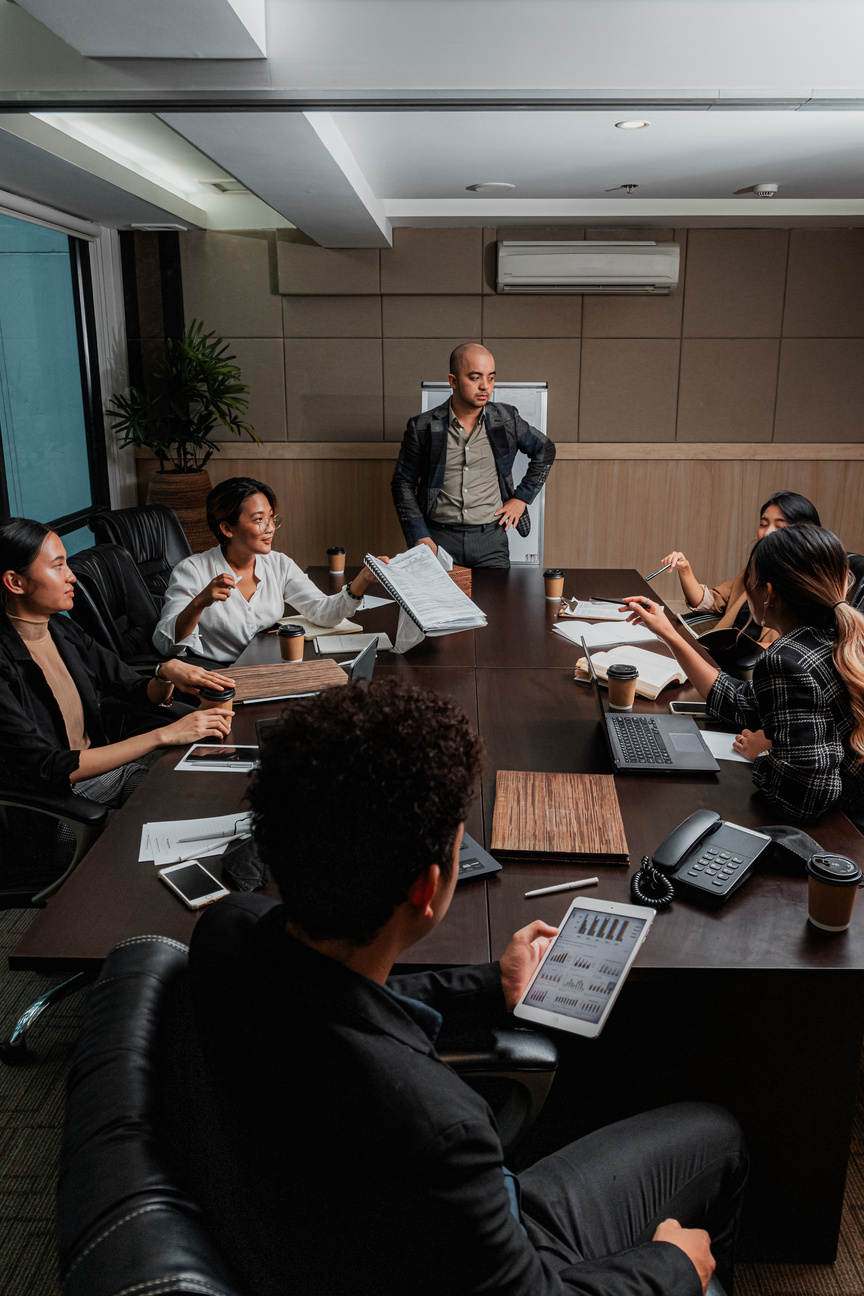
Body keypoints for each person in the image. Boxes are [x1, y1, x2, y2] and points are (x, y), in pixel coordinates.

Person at [189, 679, 746, 1296]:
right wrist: (672, 1267)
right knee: (719, 1137)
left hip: (348, 1226)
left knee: (712, 1132)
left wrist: (490, 984)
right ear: (427, 889)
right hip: (487, 1255)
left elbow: (342, 995)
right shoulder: (441, 1128)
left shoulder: (225, 933)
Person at [0, 518, 234, 872]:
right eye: (58, 566)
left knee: (194, 805)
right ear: (15, 582)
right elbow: (49, 767)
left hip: (102, 777)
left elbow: (131, 687)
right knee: (162, 851)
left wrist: (165, 673)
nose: (71, 576)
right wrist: (163, 735)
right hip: (55, 812)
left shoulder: (60, 628)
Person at [622, 525, 864, 828]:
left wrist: (763, 754)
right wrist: (669, 634)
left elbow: (803, 799)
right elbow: (742, 703)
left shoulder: (787, 661)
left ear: (770, 594)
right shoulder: (837, 637)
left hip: (848, 830)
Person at [154, 476, 388, 664]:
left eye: (271, 518)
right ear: (227, 528)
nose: (270, 528)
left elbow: (322, 613)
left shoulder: (279, 564)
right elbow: (165, 644)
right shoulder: (192, 570)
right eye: (259, 520)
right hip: (220, 678)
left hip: (271, 667)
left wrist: (363, 579)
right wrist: (199, 603)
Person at [391, 343, 556, 569]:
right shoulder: (422, 426)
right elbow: (402, 483)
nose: (485, 386)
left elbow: (546, 449)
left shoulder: (506, 419)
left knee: (496, 594)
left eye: (491, 377)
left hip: (491, 540)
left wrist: (521, 498)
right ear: (453, 381)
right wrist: (419, 535)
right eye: (475, 378)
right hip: (439, 539)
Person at [663, 490, 821, 649]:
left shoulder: (811, 585)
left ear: (804, 533)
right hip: (724, 654)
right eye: (763, 524)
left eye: (779, 526)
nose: (767, 532)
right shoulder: (755, 570)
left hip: (762, 660)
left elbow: (803, 645)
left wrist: (742, 651)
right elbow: (710, 602)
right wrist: (685, 569)